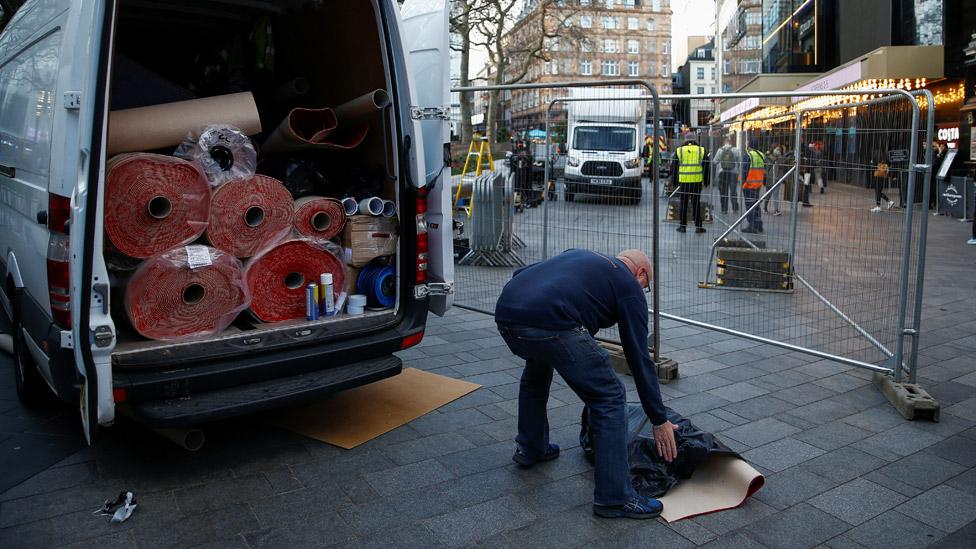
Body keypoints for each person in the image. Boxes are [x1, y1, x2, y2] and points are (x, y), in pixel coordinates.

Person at [495, 249, 678, 520]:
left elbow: (523, 274)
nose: (643, 291)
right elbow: (638, 357)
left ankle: (530, 448)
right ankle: (615, 498)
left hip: (507, 313)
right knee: (610, 396)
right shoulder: (628, 285)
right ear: (641, 274)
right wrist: (658, 418)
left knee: (536, 371)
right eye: (646, 285)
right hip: (552, 323)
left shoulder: (580, 257)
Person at [672, 133, 709, 233]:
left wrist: (674, 181)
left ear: (685, 140)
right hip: (696, 182)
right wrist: (706, 181)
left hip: (684, 182)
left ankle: (683, 226)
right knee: (696, 203)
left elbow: (674, 166)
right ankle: (698, 226)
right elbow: (706, 166)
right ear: (695, 140)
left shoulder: (679, 150)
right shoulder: (701, 150)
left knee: (683, 203)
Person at [741, 145, 765, 233]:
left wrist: (742, 183)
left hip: (749, 185)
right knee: (756, 205)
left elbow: (744, 171)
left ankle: (752, 226)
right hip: (758, 184)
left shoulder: (748, 155)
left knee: (750, 205)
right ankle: (759, 224)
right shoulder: (761, 155)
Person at [714, 139, 740, 214]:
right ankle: (735, 209)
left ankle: (724, 210)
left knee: (723, 192)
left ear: (724, 143)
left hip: (723, 173)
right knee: (733, 192)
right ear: (731, 143)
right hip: (733, 173)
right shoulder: (736, 150)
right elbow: (739, 161)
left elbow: (715, 161)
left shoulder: (720, 150)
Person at [765, 143, 785, 216]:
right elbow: (766, 166)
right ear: (773, 149)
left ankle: (776, 210)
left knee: (775, 194)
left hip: (777, 179)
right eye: (776, 149)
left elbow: (781, 164)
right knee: (768, 194)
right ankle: (765, 207)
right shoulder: (767, 157)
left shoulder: (781, 158)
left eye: (779, 149)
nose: (778, 150)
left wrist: (777, 157)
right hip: (769, 178)